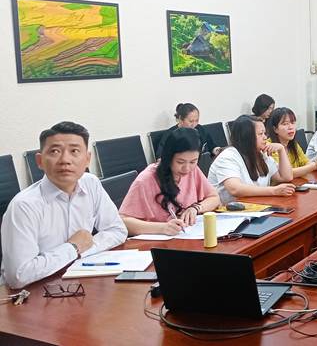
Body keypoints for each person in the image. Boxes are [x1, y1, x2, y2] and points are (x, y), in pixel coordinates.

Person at [0, 122, 127, 289]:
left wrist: (84, 249)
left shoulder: (91, 183)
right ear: (40, 161)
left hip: (77, 282)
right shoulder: (24, 206)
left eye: (74, 151)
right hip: (32, 293)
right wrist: (73, 248)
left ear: (87, 159)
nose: (65, 160)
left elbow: (117, 230)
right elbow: (19, 275)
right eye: (55, 151)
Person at [119, 128, 221, 236]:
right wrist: (162, 228)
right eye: (180, 162)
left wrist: (195, 208)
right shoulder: (145, 180)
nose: (186, 168)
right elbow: (123, 222)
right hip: (157, 242)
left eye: (193, 162)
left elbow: (214, 198)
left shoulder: (193, 171)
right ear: (168, 157)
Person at [208, 115, 294, 203]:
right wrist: (273, 191)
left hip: (257, 205)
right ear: (247, 137)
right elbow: (235, 189)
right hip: (228, 209)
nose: (265, 137)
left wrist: (281, 150)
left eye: (264, 133)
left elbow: (286, 177)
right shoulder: (228, 156)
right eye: (260, 134)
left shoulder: (261, 153)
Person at [266, 107, 317, 178]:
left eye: (292, 123)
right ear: (275, 129)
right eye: (285, 124)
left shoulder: (293, 145)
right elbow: (286, 173)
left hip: (296, 183)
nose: (291, 127)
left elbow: (307, 163)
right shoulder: (270, 147)